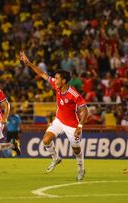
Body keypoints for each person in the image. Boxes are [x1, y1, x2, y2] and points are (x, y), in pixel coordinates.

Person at [19, 52, 89, 181]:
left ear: (64, 81)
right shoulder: (56, 86)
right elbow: (41, 73)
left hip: (72, 125)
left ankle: (81, 169)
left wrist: (80, 126)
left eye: (57, 78)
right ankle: (56, 158)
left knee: (76, 150)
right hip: (59, 121)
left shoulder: (73, 94)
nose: (54, 80)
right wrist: (28, 63)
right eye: (55, 78)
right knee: (46, 140)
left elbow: (85, 110)